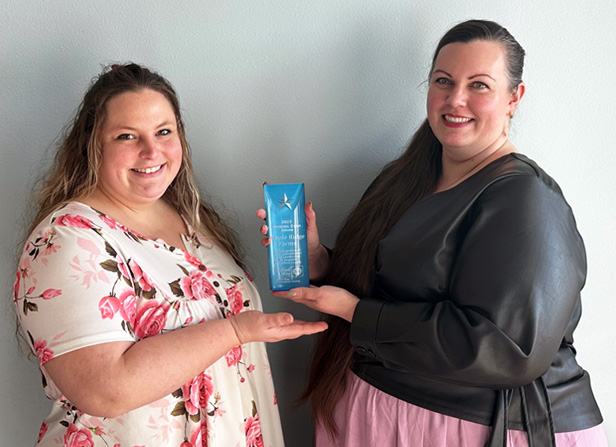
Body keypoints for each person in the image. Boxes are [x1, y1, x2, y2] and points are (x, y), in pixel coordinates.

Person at [258, 19, 606, 447]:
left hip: (471, 427)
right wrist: (321, 262)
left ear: (514, 98)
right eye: (443, 80)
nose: (455, 99)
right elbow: (391, 286)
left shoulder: (526, 197)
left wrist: (355, 313)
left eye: (479, 85)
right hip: (378, 406)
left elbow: (507, 349)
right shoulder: (403, 177)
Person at [13, 63, 327, 447]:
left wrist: (311, 259)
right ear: (92, 145)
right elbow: (105, 391)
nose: (151, 151)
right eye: (127, 136)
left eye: (164, 132)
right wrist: (236, 331)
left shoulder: (192, 219)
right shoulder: (68, 239)